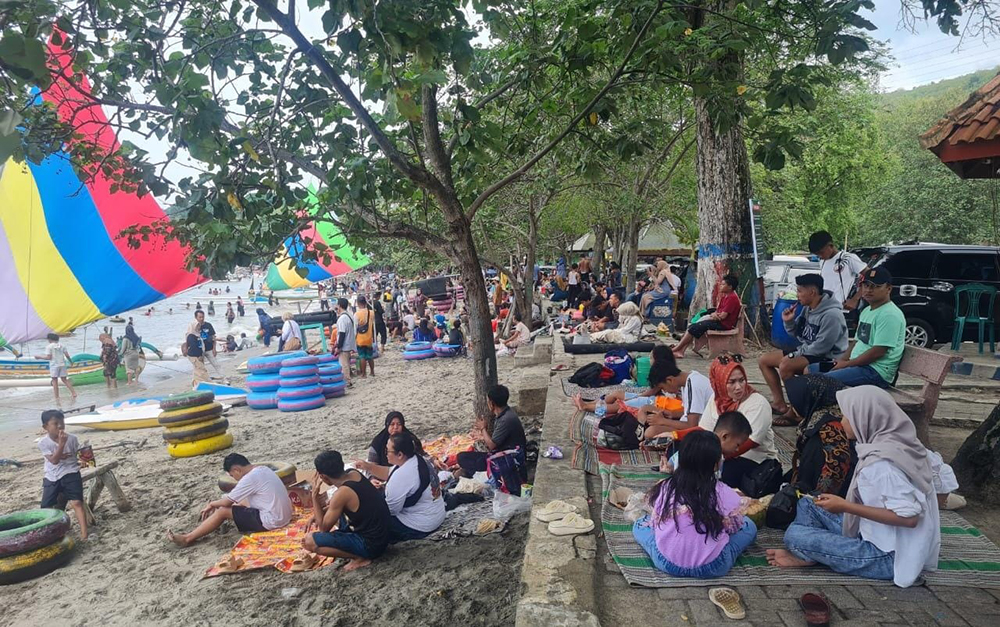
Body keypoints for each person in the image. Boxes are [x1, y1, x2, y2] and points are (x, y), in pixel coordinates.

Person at [767, 387, 940, 588]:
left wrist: (846, 507)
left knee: (794, 537)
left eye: (847, 417)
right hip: (875, 531)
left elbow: (909, 518)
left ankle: (810, 553)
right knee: (808, 504)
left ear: (864, 419)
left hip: (887, 556)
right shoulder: (901, 445)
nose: (841, 423)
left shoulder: (883, 466)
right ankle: (812, 553)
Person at [632, 430, 756, 578]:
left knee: (640, 524)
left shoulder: (666, 487)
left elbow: (655, 522)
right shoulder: (724, 492)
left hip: (667, 563)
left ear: (680, 459)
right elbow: (734, 527)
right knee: (749, 526)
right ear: (716, 464)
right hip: (714, 566)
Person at [759, 273, 848, 419]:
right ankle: (779, 403)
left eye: (800, 291)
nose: (797, 295)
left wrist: (794, 355)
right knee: (764, 360)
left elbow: (821, 348)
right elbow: (799, 334)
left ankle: (796, 411)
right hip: (808, 350)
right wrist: (788, 321)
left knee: (786, 365)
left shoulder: (832, 315)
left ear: (812, 292)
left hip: (827, 357)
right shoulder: (808, 308)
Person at [168, 454, 293, 547]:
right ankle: (209, 525)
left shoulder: (249, 478)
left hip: (272, 521)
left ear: (236, 470)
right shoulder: (263, 469)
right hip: (285, 515)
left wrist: (211, 504)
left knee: (222, 511)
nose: (234, 478)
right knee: (238, 500)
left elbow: (227, 503)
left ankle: (188, 538)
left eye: (232, 475)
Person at [814, 267, 905, 389]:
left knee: (822, 381)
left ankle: (828, 408)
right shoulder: (867, 310)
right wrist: (842, 361)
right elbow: (856, 342)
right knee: (811, 370)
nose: (868, 290)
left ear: (888, 288)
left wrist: (846, 365)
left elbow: (878, 352)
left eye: (875, 286)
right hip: (857, 365)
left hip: (875, 372)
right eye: (866, 285)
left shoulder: (889, 314)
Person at [697, 354, 777, 490]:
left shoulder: (758, 403)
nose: (739, 387)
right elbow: (703, 431)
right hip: (723, 455)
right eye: (732, 382)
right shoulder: (716, 399)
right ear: (720, 382)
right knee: (682, 449)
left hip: (756, 462)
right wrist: (674, 436)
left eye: (742, 380)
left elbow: (749, 443)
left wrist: (710, 458)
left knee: (726, 471)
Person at [302, 451, 390, 572]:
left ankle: (359, 557)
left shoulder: (342, 493)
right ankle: (356, 551)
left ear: (323, 477)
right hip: (382, 536)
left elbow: (323, 528)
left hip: (372, 546)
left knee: (309, 542)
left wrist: (314, 498)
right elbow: (345, 503)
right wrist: (318, 513)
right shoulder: (354, 474)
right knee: (334, 510)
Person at [355, 434, 446, 543]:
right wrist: (368, 466)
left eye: (388, 451)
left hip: (421, 526)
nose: (386, 454)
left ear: (400, 455)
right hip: (437, 514)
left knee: (371, 521)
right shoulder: (418, 459)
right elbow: (389, 472)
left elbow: (391, 510)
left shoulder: (402, 475)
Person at [783, 375, 855, 496]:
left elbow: (829, 478)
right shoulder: (825, 417)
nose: (792, 406)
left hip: (829, 501)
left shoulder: (821, 432)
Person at [456, 385, 527, 477]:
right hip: (507, 452)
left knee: (462, 457)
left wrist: (483, 428)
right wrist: (482, 436)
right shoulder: (507, 413)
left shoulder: (506, 419)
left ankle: (470, 473)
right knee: (470, 458)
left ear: (492, 404)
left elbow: (491, 445)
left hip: (509, 459)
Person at [38, 409, 88, 540]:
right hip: (52, 475)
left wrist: (83, 461)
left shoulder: (72, 439)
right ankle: (48, 535)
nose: (60, 426)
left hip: (70, 471)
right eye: (55, 423)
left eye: (62, 422)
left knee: (77, 502)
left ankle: (84, 535)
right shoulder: (43, 443)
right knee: (46, 507)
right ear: (45, 427)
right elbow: (54, 461)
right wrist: (61, 445)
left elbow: (81, 455)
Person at [637, 358, 715, 438]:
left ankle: (643, 434)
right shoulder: (688, 381)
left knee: (651, 432)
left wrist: (663, 421)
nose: (665, 391)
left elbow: (692, 426)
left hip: (699, 431)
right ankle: (642, 430)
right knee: (645, 408)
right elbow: (694, 411)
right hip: (688, 423)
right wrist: (673, 414)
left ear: (670, 380)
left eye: (663, 388)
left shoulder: (693, 386)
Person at [672, 275, 742, 359]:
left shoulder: (732, 298)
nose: (720, 286)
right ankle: (680, 351)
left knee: (695, 328)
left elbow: (723, 316)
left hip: (724, 325)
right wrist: (715, 314)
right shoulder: (725, 296)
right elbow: (718, 312)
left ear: (730, 287)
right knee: (693, 327)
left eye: (723, 284)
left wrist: (715, 315)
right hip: (719, 321)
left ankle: (677, 349)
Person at [809, 230, 867, 311]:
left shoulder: (848, 258)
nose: (820, 256)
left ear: (831, 245)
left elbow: (870, 277)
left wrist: (855, 299)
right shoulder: (822, 261)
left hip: (841, 309)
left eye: (821, 253)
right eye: (817, 254)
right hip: (824, 308)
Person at [35, 333, 76, 401]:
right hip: (62, 364)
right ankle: (73, 393)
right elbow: (67, 355)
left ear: (49, 339)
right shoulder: (62, 345)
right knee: (64, 379)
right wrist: (71, 362)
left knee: (54, 380)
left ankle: (57, 396)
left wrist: (39, 357)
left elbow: (49, 357)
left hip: (54, 365)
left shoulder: (49, 347)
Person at [194, 310, 224, 378]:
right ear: (196, 317)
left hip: (209, 348)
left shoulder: (208, 325)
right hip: (199, 351)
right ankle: (204, 379)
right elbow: (190, 338)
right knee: (201, 367)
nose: (201, 319)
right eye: (200, 317)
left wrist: (214, 348)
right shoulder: (193, 327)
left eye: (203, 317)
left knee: (216, 364)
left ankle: (224, 378)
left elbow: (213, 337)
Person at [335, 298, 356, 386]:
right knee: (347, 363)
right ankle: (349, 378)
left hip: (344, 345)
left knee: (344, 364)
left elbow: (342, 333)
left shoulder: (342, 319)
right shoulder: (350, 315)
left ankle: (347, 381)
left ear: (339, 306)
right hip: (350, 342)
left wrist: (338, 346)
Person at [184, 317, 210, 387]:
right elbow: (193, 347)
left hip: (199, 354)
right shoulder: (191, 336)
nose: (198, 327)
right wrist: (198, 356)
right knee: (202, 370)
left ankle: (196, 384)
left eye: (199, 326)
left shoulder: (197, 334)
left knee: (197, 370)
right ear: (193, 327)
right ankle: (207, 382)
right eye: (197, 326)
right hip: (194, 356)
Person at [355, 296, 376, 378]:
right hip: (369, 337)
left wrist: (354, 339)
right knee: (370, 356)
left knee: (362, 356)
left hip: (360, 338)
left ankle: (363, 374)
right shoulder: (371, 312)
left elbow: (355, 328)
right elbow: (372, 324)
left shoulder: (357, 314)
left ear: (358, 303)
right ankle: (372, 371)